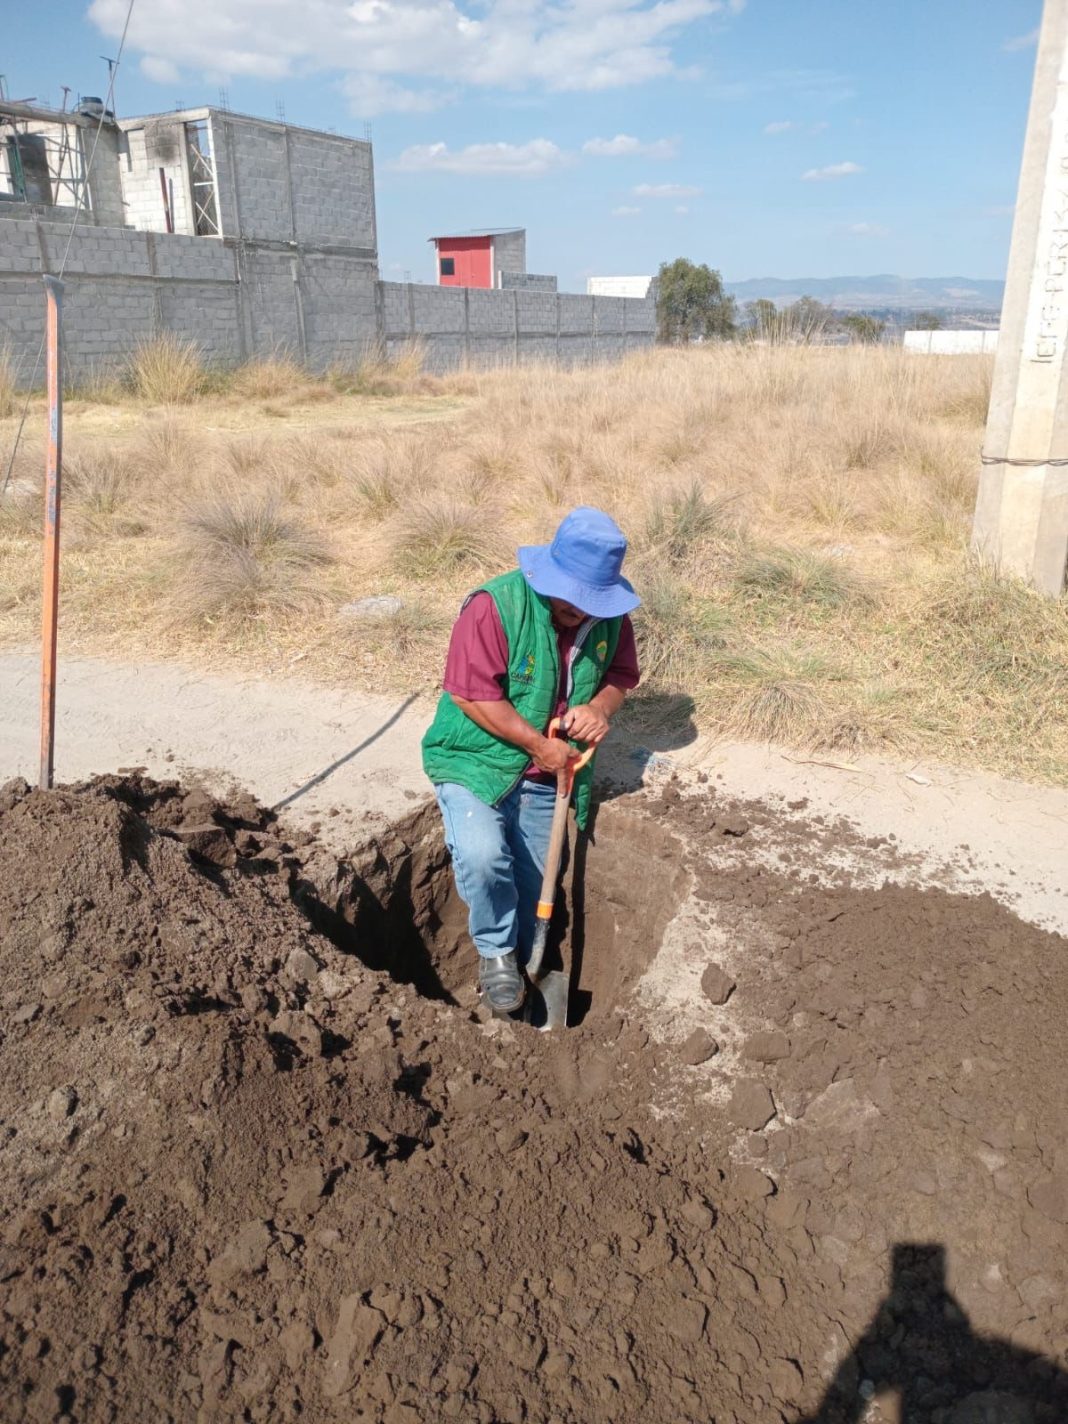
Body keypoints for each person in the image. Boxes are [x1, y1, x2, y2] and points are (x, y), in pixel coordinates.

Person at [422, 507, 641, 1016]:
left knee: (537, 875)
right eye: (574, 601)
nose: (584, 613)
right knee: (483, 858)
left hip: (552, 769)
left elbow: (621, 677)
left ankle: (529, 959)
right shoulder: (494, 606)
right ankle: (497, 953)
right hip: (475, 758)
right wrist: (536, 745)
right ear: (550, 575)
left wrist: (598, 710)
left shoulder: (609, 617)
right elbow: (471, 696)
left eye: (594, 603)